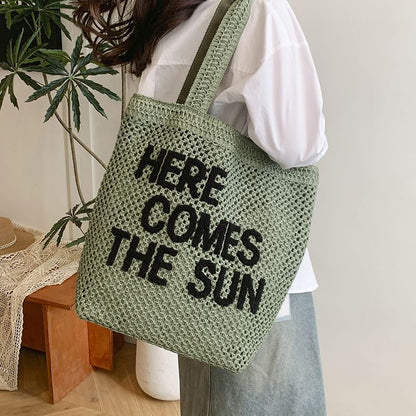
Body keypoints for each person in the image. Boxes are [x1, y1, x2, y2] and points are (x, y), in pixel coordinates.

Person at [74, 0, 328, 414]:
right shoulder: (259, 11)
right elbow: (298, 146)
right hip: (246, 278)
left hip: (186, 274)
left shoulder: (179, 12)